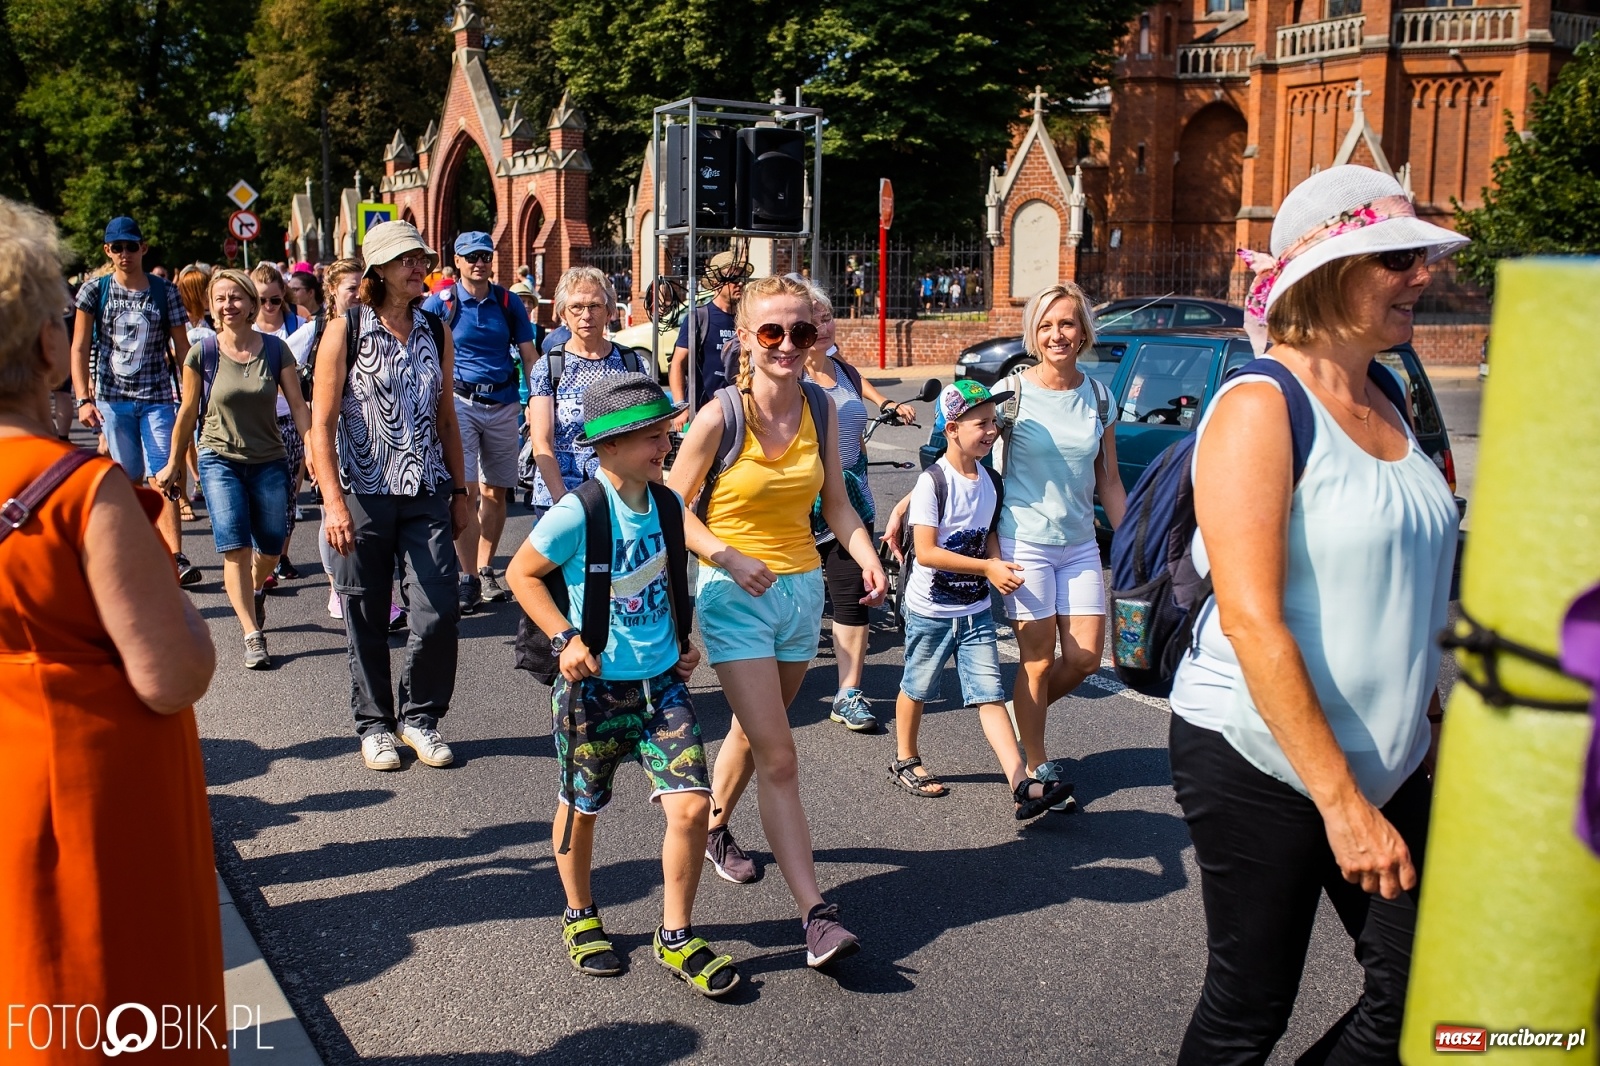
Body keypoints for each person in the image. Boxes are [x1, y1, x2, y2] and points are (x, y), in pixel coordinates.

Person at [1168, 165, 1463, 1063]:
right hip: (1262, 754)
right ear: (1332, 270)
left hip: (1394, 756)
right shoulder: (1262, 405)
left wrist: (1429, 709)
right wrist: (1340, 802)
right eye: (1399, 258)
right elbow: (1255, 622)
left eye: (1422, 257)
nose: (1425, 275)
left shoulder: (1393, 397)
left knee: (1432, 989)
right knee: (1250, 1008)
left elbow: (1408, 583)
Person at [0, 195, 225, 1063]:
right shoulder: (79, 493)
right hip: (90, 795)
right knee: (118, 1006)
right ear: (51, 346)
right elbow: (170, 673)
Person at [666, 274, 887, 969]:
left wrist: (865, 553)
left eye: (800, 331)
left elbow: (837, 505)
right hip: (735, 598)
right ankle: (814, 914)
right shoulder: (718, 416)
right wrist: (727, 558)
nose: (787, 344)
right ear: (745, 338)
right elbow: (673, 508)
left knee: (749, 730)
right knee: (781, 753)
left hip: (801, 595)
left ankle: (715, 828)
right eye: (771, 332)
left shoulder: (821, 405)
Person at [506, 374, 740, 997]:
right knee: (581, 808)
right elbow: (521, 573)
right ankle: (580, 914)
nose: (664, 444)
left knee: (692, 806)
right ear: (607, 447)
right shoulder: (579, 509)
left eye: (665, 432)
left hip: (661, 684)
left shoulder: (665, 502)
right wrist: (565, 639)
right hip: (594, 690)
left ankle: (676, 934)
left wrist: (681, 639)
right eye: (649, 436)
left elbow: (669, 576)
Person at [310, 219, 469, 773]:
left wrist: (461, 490)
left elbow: (447, 418)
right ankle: (376, 724)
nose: (417, 266)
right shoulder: (346, 329)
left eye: (421, 257)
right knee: (366, 613)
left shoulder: (436, 330)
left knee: (439, 609)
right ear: (378, 269)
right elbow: (320, 426)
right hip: (363, 492)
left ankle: (420, 717)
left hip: (425, 490)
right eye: (406, 260)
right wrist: (333, 503)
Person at [892, 380, 1085, 818]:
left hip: (975, 610)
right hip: (931, 610)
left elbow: (990, 533)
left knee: (989, 695)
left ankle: (1022, 784)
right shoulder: (932, 483)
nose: (991, 430)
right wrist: (987, 569)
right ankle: (905, 757)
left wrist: (997, 565)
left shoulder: (990, 480)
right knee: (917, 687)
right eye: (980, 424)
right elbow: (926, 552)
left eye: (994, 422)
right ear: (952, 429)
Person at [157, 269, 310, 670]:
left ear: (251, 302)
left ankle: (257, 586)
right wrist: (175, 463)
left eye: (236, 297)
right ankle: (251, 633)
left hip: (270, 458)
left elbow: (297, 405)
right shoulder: (202, 353)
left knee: (273, 547)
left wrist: (314, 448)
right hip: (217, 457)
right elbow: (188, 411)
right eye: (221, 298)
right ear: (212, 305)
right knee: (235, 547)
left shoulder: (275, 350)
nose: (229, 305)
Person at [796, 279, 917, 732]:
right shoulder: (788, 375)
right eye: (811, 319)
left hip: (847, 496)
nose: (822, 325)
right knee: (784, 596)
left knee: (852, 593)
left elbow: (858, 380)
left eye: (826, 316)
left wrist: (885, 400)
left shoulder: (841, 370)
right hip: (795, 503)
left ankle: (848, 692)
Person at [70, 215, 201, 585]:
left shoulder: (164, 291)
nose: (124, 253)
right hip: (113, 400)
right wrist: (83, 398)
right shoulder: (95, 291)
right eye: (117, 247)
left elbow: (182, 348)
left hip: (158, 397)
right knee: (127, 479)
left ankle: (174, 557)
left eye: (131, 246)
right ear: (107, 251)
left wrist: (194, 395)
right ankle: (136, 553)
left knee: (165, 475)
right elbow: (79, 346)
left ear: (143, 248)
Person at [422, 232, 538, 614]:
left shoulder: (508, 302)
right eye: (471, 256)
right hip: (460, 404)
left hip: (504, 404)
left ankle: (486, 567)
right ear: (456, 260)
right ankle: (468, 576)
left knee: (496, 492)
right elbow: (418, 350)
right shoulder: (441, 303)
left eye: (485, 256)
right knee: (467, 491)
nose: (479, 263)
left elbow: (528, 354)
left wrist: (538, 402)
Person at [288, 257, 369, 620]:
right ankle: (337, 588)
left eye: (362, 287)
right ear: (333, 292)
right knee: (330, 511)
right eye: (351, 287)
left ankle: (362, 584)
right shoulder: (316, 330)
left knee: (362, 514)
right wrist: (306, 430)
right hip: (327, 435)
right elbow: (278, 364)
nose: (359, 294)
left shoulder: (372, 323)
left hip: (366, 436)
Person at [526, 267, 642, 517]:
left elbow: (643, 432)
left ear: (610, 311)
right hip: (559, 495)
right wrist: (562, 502)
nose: (586, 315)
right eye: (577, 307)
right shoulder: (548, 367)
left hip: (618, 494)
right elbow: (541, 443)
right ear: (563, 315)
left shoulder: (631, 362)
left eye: (595, 306)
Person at [251, 263, 309, 582]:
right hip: (254, 422)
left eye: (275, 300)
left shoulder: (299, 325)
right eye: (262, 300)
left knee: (286, 494)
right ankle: (262, 555)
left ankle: (281, 556)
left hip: (288, 419)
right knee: (258, 493)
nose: (269, 307)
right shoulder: (246, 329)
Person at [668, 251, 750, 417]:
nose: (739, 284)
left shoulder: (747, 319)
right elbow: (677, 363)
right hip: (703, 413)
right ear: (715, 282)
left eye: (742, 279)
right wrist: (681, 407)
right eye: (733, 279)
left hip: (739, 413)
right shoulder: (699, 317)